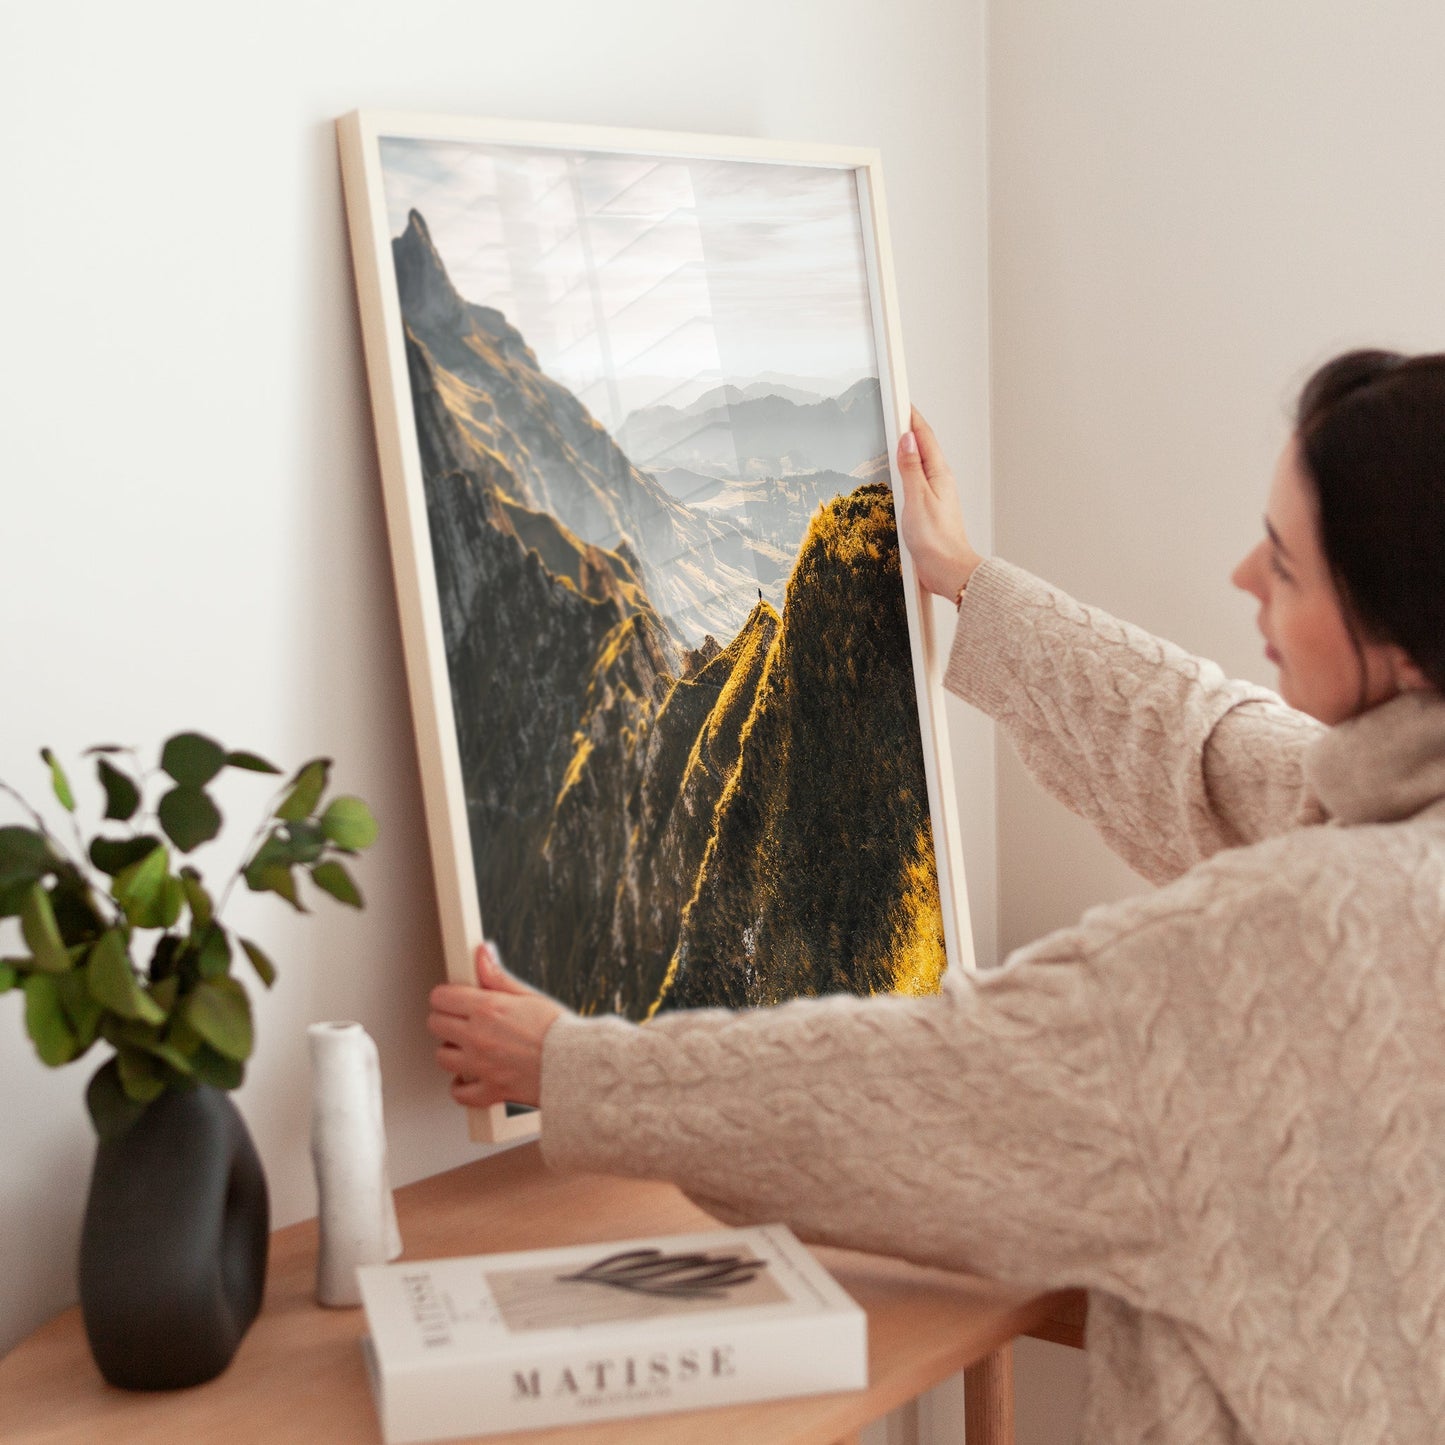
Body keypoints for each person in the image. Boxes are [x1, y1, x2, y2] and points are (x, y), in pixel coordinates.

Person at [428, 350, 1445, 1444]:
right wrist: (964, 577)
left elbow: (923, 1087)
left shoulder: (1282, 943)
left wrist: (570, 1066)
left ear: (1395, 641)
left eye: (1286, 566)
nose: (1243, 573)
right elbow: (1203, 746)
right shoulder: (1391, 817)